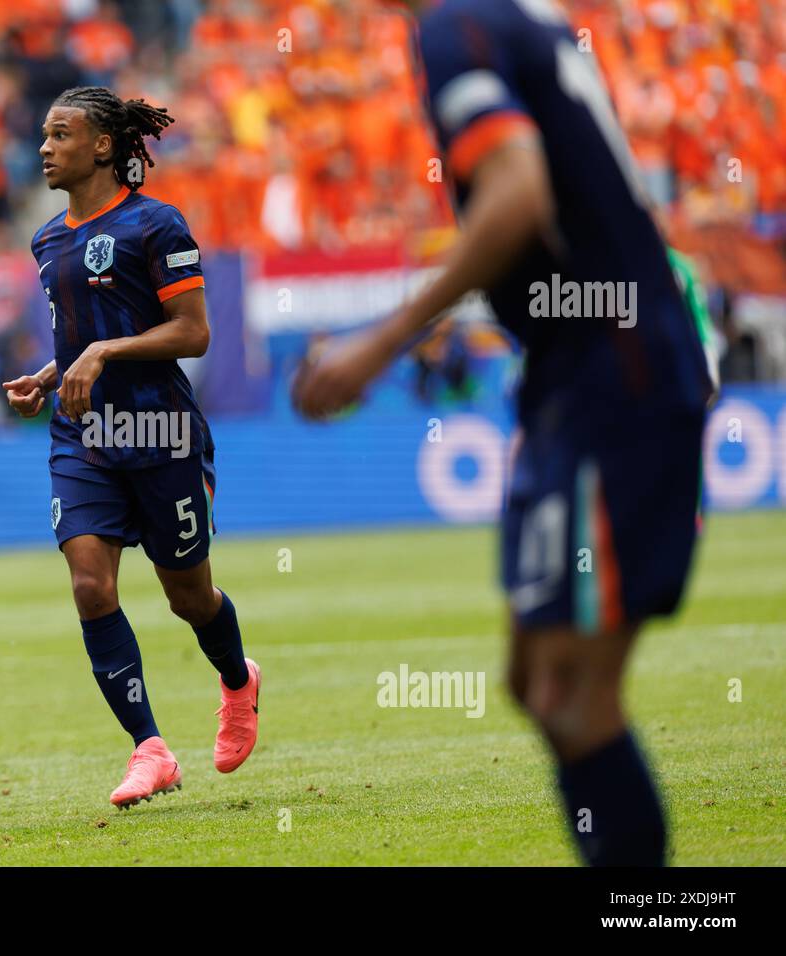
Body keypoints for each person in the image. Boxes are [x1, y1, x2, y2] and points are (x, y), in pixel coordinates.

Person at [292, 0, 714, 866]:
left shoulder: (459, 27)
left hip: (615, 370)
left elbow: (520, 193)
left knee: (570, 687)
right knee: (537, 681)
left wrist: (381, 342)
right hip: (577, 372)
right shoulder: (514, 21)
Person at [2, 86, 260, 809]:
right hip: (84, 436)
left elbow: (193, 333)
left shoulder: (158, 224)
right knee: (90, 585)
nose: (45, 147)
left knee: (189, 596)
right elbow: (84, 338)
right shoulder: (46, 238)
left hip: (160, 433)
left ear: (104, 146)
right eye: (43, 135)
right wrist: (55, 371)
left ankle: (238, 682)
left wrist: (102, 353)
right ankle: (150, 749)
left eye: (60, 134)